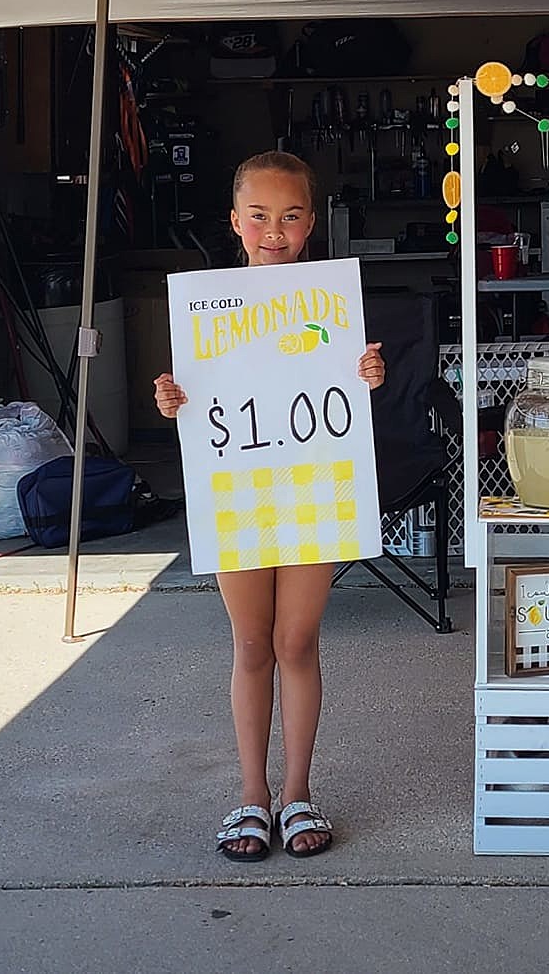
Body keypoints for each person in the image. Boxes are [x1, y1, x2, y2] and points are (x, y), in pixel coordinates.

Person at [153, 151, 385, 861]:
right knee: (252, 644)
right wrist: (170, 399)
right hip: (238, 490)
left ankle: (296, 792)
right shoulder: (208, 308)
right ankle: (251, 793)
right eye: (260, 216)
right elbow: (195, 395)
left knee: (296, 642)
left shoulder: (333, 307)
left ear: (311, 223)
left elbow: (342, 389)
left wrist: (367, 374)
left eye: (289, 216)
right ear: (235, 221)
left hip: (315, 487)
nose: (274, 231)